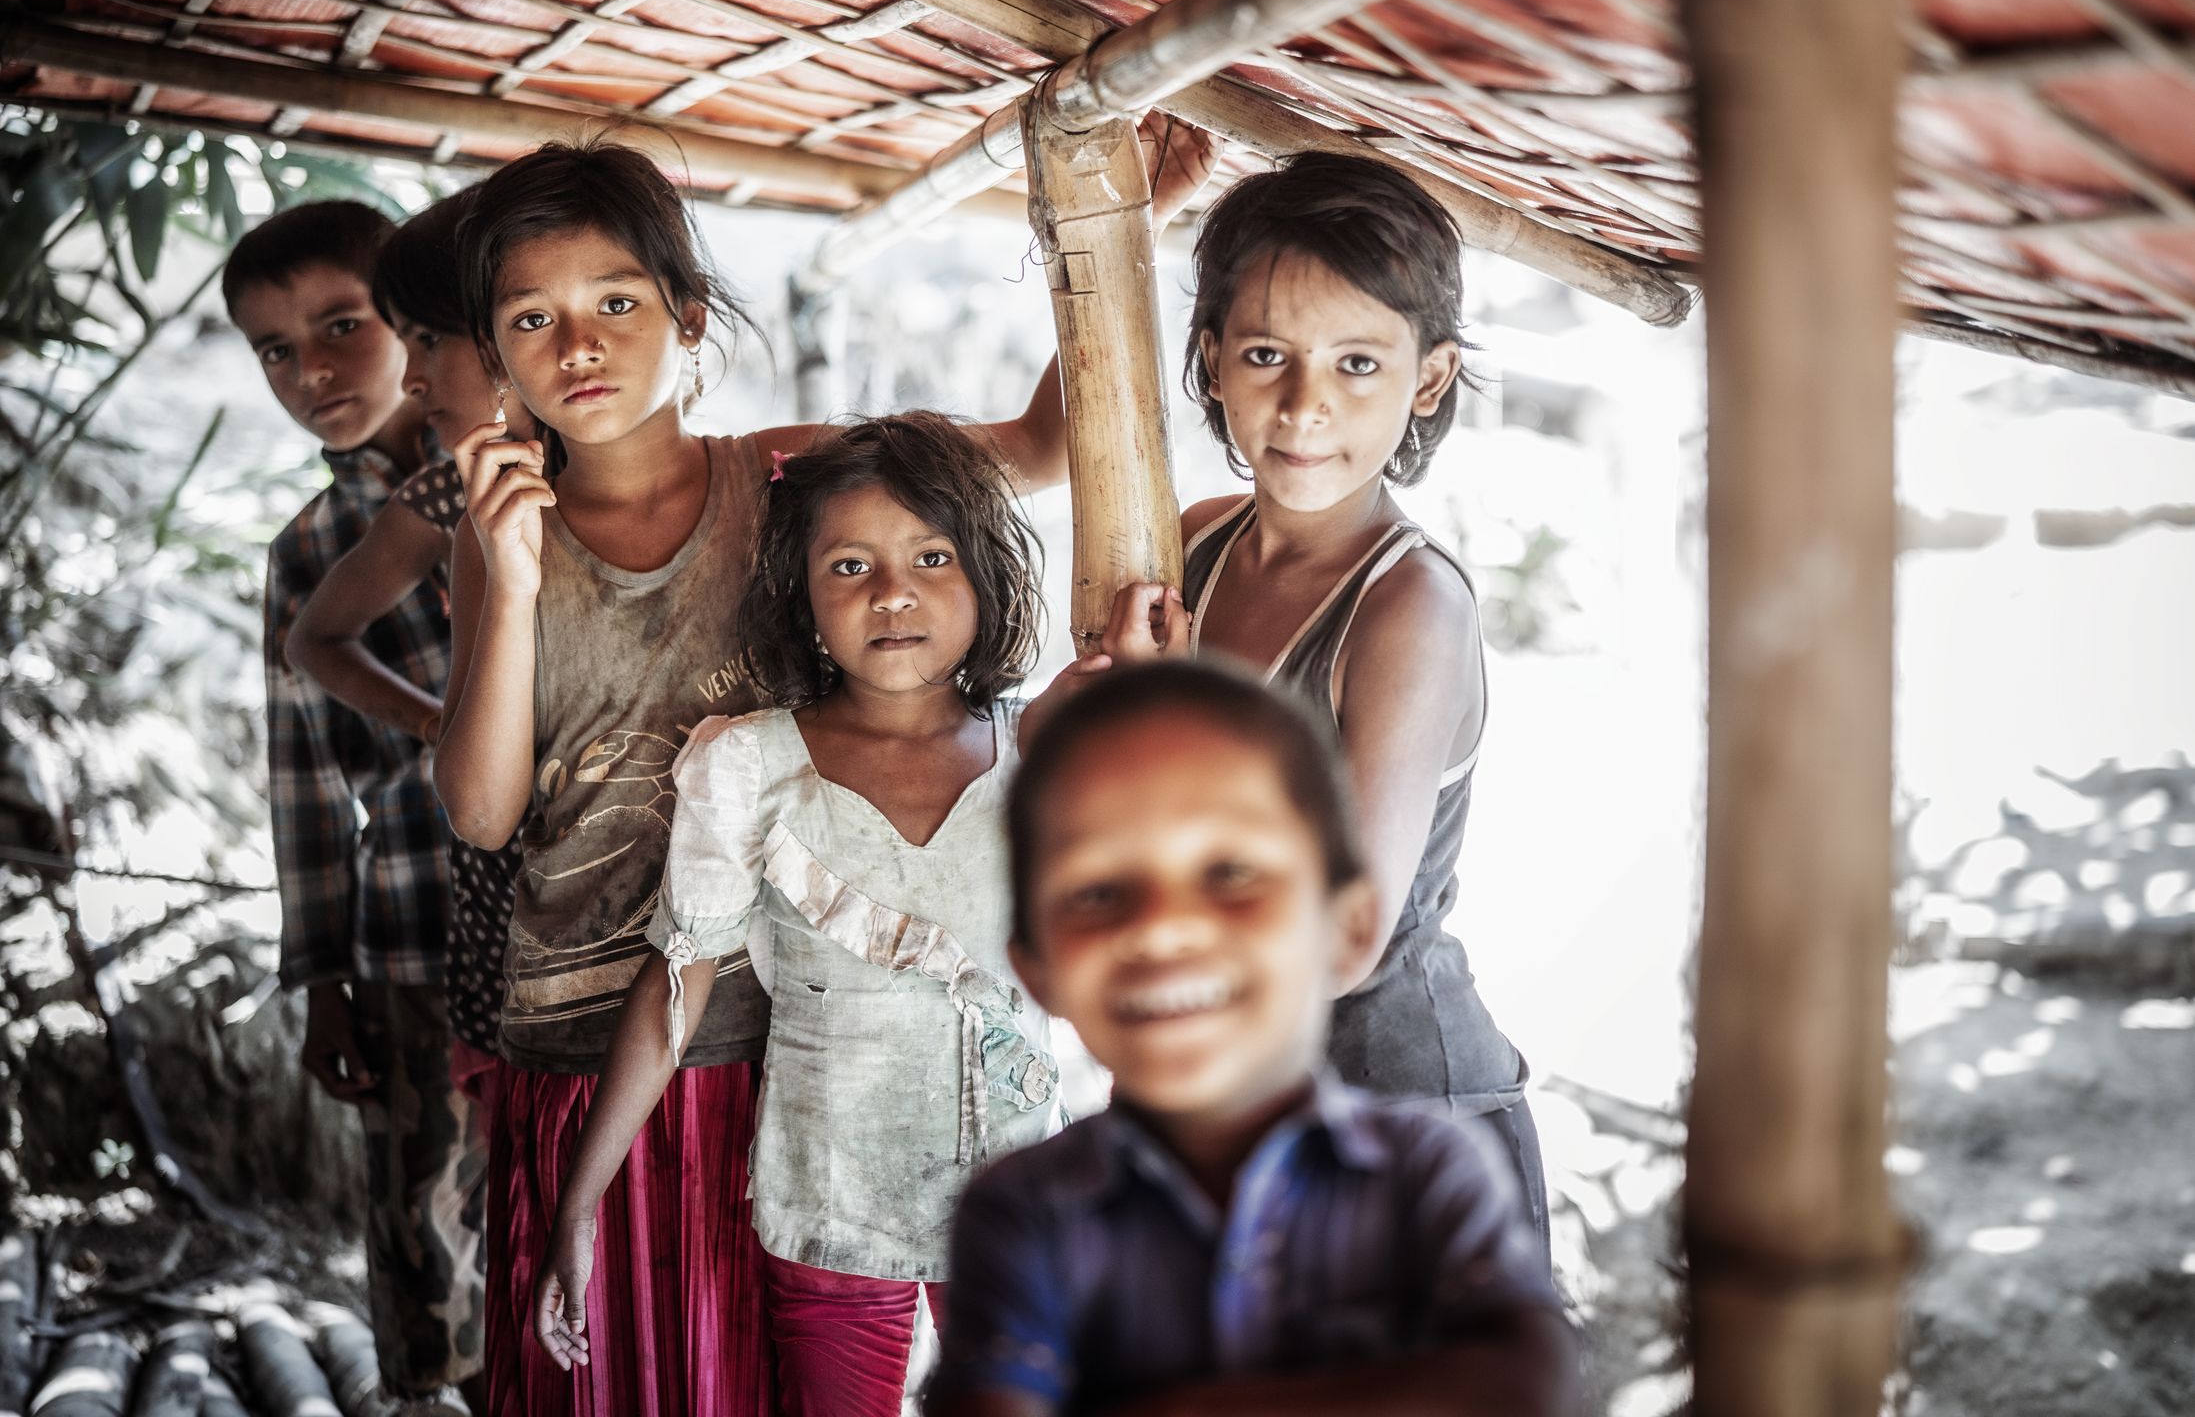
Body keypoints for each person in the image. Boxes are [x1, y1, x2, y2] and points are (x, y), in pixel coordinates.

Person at [432, 125, 1218, 1411]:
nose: (578, 346)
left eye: (617, 302)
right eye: (532, 319)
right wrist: (513, 580)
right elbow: (481, 810)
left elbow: (1031, 445)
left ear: (690, 317)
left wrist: (1118, 232)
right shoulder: (503, 537)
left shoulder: (788, 480)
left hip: (790, 1051)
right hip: (592, 1040)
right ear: (496, 356)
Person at [533, 414, 1060, 1416]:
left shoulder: (1039, 747)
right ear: (803, 598)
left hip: (1020, 1213)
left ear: (986, 578)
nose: (892, 591)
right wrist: (580, 1198)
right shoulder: (748, 764)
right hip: (825, 1211)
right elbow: (677, 978)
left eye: (931, 555)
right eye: (849, 564)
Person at [1101, 151, 1548, 1250]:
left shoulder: (1405, 608)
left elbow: (1345, 935)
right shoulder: (1195, 546)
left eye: (1357, 363)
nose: (1304, 407)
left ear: (1428, 380)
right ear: (1208, 360)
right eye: (1265, 355)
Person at [926, 660, 1571, 1416]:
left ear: (1347, 927)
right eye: (1099, 891)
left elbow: (1526, 1381)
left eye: (1230, 873)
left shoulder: (1426, 1173)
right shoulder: (1023, 1210)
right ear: (1036, 970)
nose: (1164, 926)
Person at [228, 200, 487, 1411]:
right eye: (275, 348)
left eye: (343, 325)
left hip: (563, 913)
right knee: (426, 1214)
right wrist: (322, 974)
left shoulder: (529, 466)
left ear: (418, 325)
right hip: (410, 926)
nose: (312, 369)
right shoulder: (306, 549)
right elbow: (304, 780)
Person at [288, 187, 531, 1084]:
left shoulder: (662, 484)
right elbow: (315, 641)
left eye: (427, 339)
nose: (413, 375)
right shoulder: (447, 500)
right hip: (483, 930)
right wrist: (439, 722)